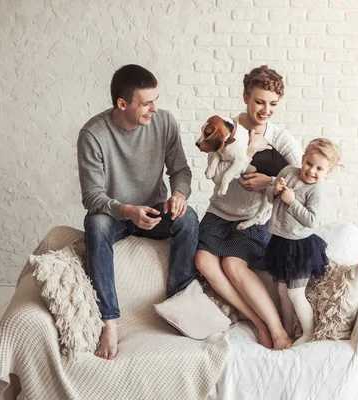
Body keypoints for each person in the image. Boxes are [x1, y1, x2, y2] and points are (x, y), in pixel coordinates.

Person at [77, 64, 198, 360]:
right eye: (146, 103)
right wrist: (126, 211)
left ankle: (178, 304)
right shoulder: (93, 134)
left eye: (156, 100)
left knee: (190, 218)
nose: (154, 108)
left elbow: (180, 170)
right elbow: (92, 196)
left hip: (155, 210)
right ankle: (108, 320)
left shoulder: (164, 123)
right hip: (116, 214)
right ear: (122, 103)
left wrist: (179, 195)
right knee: (96, 225)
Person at [196, 65, 303, 350]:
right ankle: (257, 321)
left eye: (273, 104)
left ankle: (278, 331)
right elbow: (216, 177)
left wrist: (268, 182)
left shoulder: (281, 139)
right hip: (219, 211)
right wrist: (250, 151)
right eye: (259, 101)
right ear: (245, 97)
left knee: (232, 263)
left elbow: (303, 182)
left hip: (254, 219)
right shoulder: (228, 129)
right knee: (203, 261)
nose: (265, 109)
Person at [265, 138, 341, 346]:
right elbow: (269, 198)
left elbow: (311, 220)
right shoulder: (288, 172)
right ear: (302, 159)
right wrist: (275, 190)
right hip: (281, 242)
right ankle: (287, 331)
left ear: (327, 172)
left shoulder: (317, 190)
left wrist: (292, 201)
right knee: (282, 292)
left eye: (319, 168)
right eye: (309, 164)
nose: (311, 171)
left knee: (295, 292)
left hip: (300, 247)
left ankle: (308, 332)